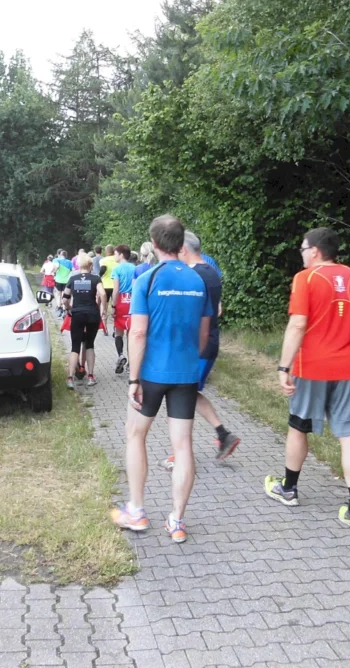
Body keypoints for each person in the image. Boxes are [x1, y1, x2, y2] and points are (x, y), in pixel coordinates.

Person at [264, 227, 350, 531]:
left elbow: (297, 325)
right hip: (348, 370)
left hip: (311, 368)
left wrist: (283, 366)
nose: (301, 254)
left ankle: (289, 489)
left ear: (314, 251)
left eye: (303, 249)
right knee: (349, 436)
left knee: (298, 426)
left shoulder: (305, 279)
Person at [111, 215, 212, 544]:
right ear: (181, 242)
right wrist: (187, 358)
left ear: (153, 244)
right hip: (185, 374)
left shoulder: (148, 279)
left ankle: (137, 512)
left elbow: (137, 332)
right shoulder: (199, 281)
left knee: (135, 436)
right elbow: (203, 334)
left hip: (152, 374)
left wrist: (134, 379)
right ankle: (177, 520)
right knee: (183, 445)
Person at [163, 231, 240, 468]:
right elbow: (217, 309)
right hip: (204, 343)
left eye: (177, 250)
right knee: (188, 393)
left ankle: (181, 452)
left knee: (182, 396)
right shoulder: (211, 272)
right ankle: (223, 434)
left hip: (198, 346)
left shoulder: (194, 275)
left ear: (184, 249)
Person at [62, 252, 107, 389]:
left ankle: (70, 378)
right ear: (91, 265)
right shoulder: (95, 278)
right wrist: (103, 309)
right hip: (92, 314)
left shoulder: (73, 278)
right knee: (89, 344)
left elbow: (65, 298)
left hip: (77, 314)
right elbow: (103, 293)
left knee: (75, 346)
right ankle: (91, 376)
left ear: (79, 265)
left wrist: (68, 307)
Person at [110, 244, 136, 374]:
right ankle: (131, 363)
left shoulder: (117, 269)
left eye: (115, 253)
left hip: (121, 300)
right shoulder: (135, 268)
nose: (114, 256)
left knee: (118, 332)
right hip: (133, 301)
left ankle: (120, 355)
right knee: (131, 333)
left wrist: (113, 306)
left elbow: (115, 289)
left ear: (121, 254)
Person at [53, 249, 73, 315]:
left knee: (58, 294)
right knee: (64, 295)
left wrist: (54, 271)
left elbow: (57, 266)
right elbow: (72, 270)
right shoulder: (69, 262)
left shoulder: (56, 260)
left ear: (60, 255)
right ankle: (64, 309)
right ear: (66, 256)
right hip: (66, 281)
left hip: (58, 280)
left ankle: (59, 308)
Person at [100, 244, 117, 315]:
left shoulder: (103, 260)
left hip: (105, 285)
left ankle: (104, 323)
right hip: (116, 285)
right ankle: (116, 324)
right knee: (115, 305)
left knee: (104, 305)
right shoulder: (117, 260)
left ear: (106, 252)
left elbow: (101, 272)